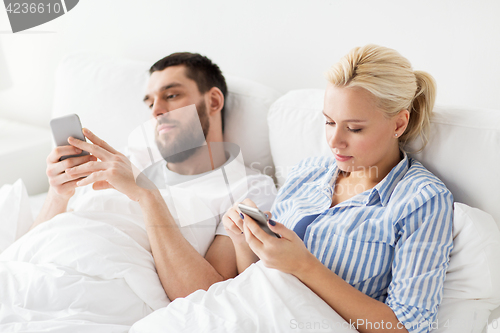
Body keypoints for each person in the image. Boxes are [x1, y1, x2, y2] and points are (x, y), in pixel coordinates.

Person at [223, 45, 453, 333]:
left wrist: (305, 266)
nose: (335, 141)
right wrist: (244, 240)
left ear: (399, 122)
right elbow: (255, 282)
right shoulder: (307, 173)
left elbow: (406, 327)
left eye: (354, 128)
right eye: (329, 122)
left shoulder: (422, 200)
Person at [28, 52, 276, 301]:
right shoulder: (129, 162)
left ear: (213, 101)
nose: (156, 110)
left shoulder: (248, 189)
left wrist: (148, 196)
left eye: (171, 96)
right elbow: (32, 246)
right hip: (33, 276)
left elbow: (206, 297)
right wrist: (59, 195)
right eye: (150, 103)